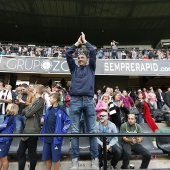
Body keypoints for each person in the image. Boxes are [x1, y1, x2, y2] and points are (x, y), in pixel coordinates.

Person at [66, 32, 99, 169]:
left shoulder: (91, 67)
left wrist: (85, 42)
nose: (79, 59)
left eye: (82, 57)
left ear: (87, 59)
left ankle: (95, 159)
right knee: (74, 132)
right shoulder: (73, 69)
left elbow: (93, 52)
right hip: (75, 101)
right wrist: (76, 44)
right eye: (78, 57)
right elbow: (68, 54)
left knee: (92, 131)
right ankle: (75, 159)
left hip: (89, 100)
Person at [17, 85, 45, 170]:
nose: (31, 90)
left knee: (31, 154)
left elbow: (28, 113)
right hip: (27, 130)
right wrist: (27, 111)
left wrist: (27, 111)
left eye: (33, 89)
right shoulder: (35, 100)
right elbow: (24, 111)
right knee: (20, 152)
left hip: (33, 130)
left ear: (36, 91)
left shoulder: (40, 100)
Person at [41, 93, 70, 170]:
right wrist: (43, 118)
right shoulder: (48, 109)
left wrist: (62, 132)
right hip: (47, 138)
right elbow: (44, 116)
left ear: (55, 99)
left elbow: (68, 121)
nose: (49, 99)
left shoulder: (61, 110)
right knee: (47, 158)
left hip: (56, 139)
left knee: (56, 159)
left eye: (50, 98)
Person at [0, 103, 19, 170]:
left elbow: (3, 126)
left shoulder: (11, 117)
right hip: (3, 139)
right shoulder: (8, 117)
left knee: (3, 158)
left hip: (5, 139)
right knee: (1, 157)